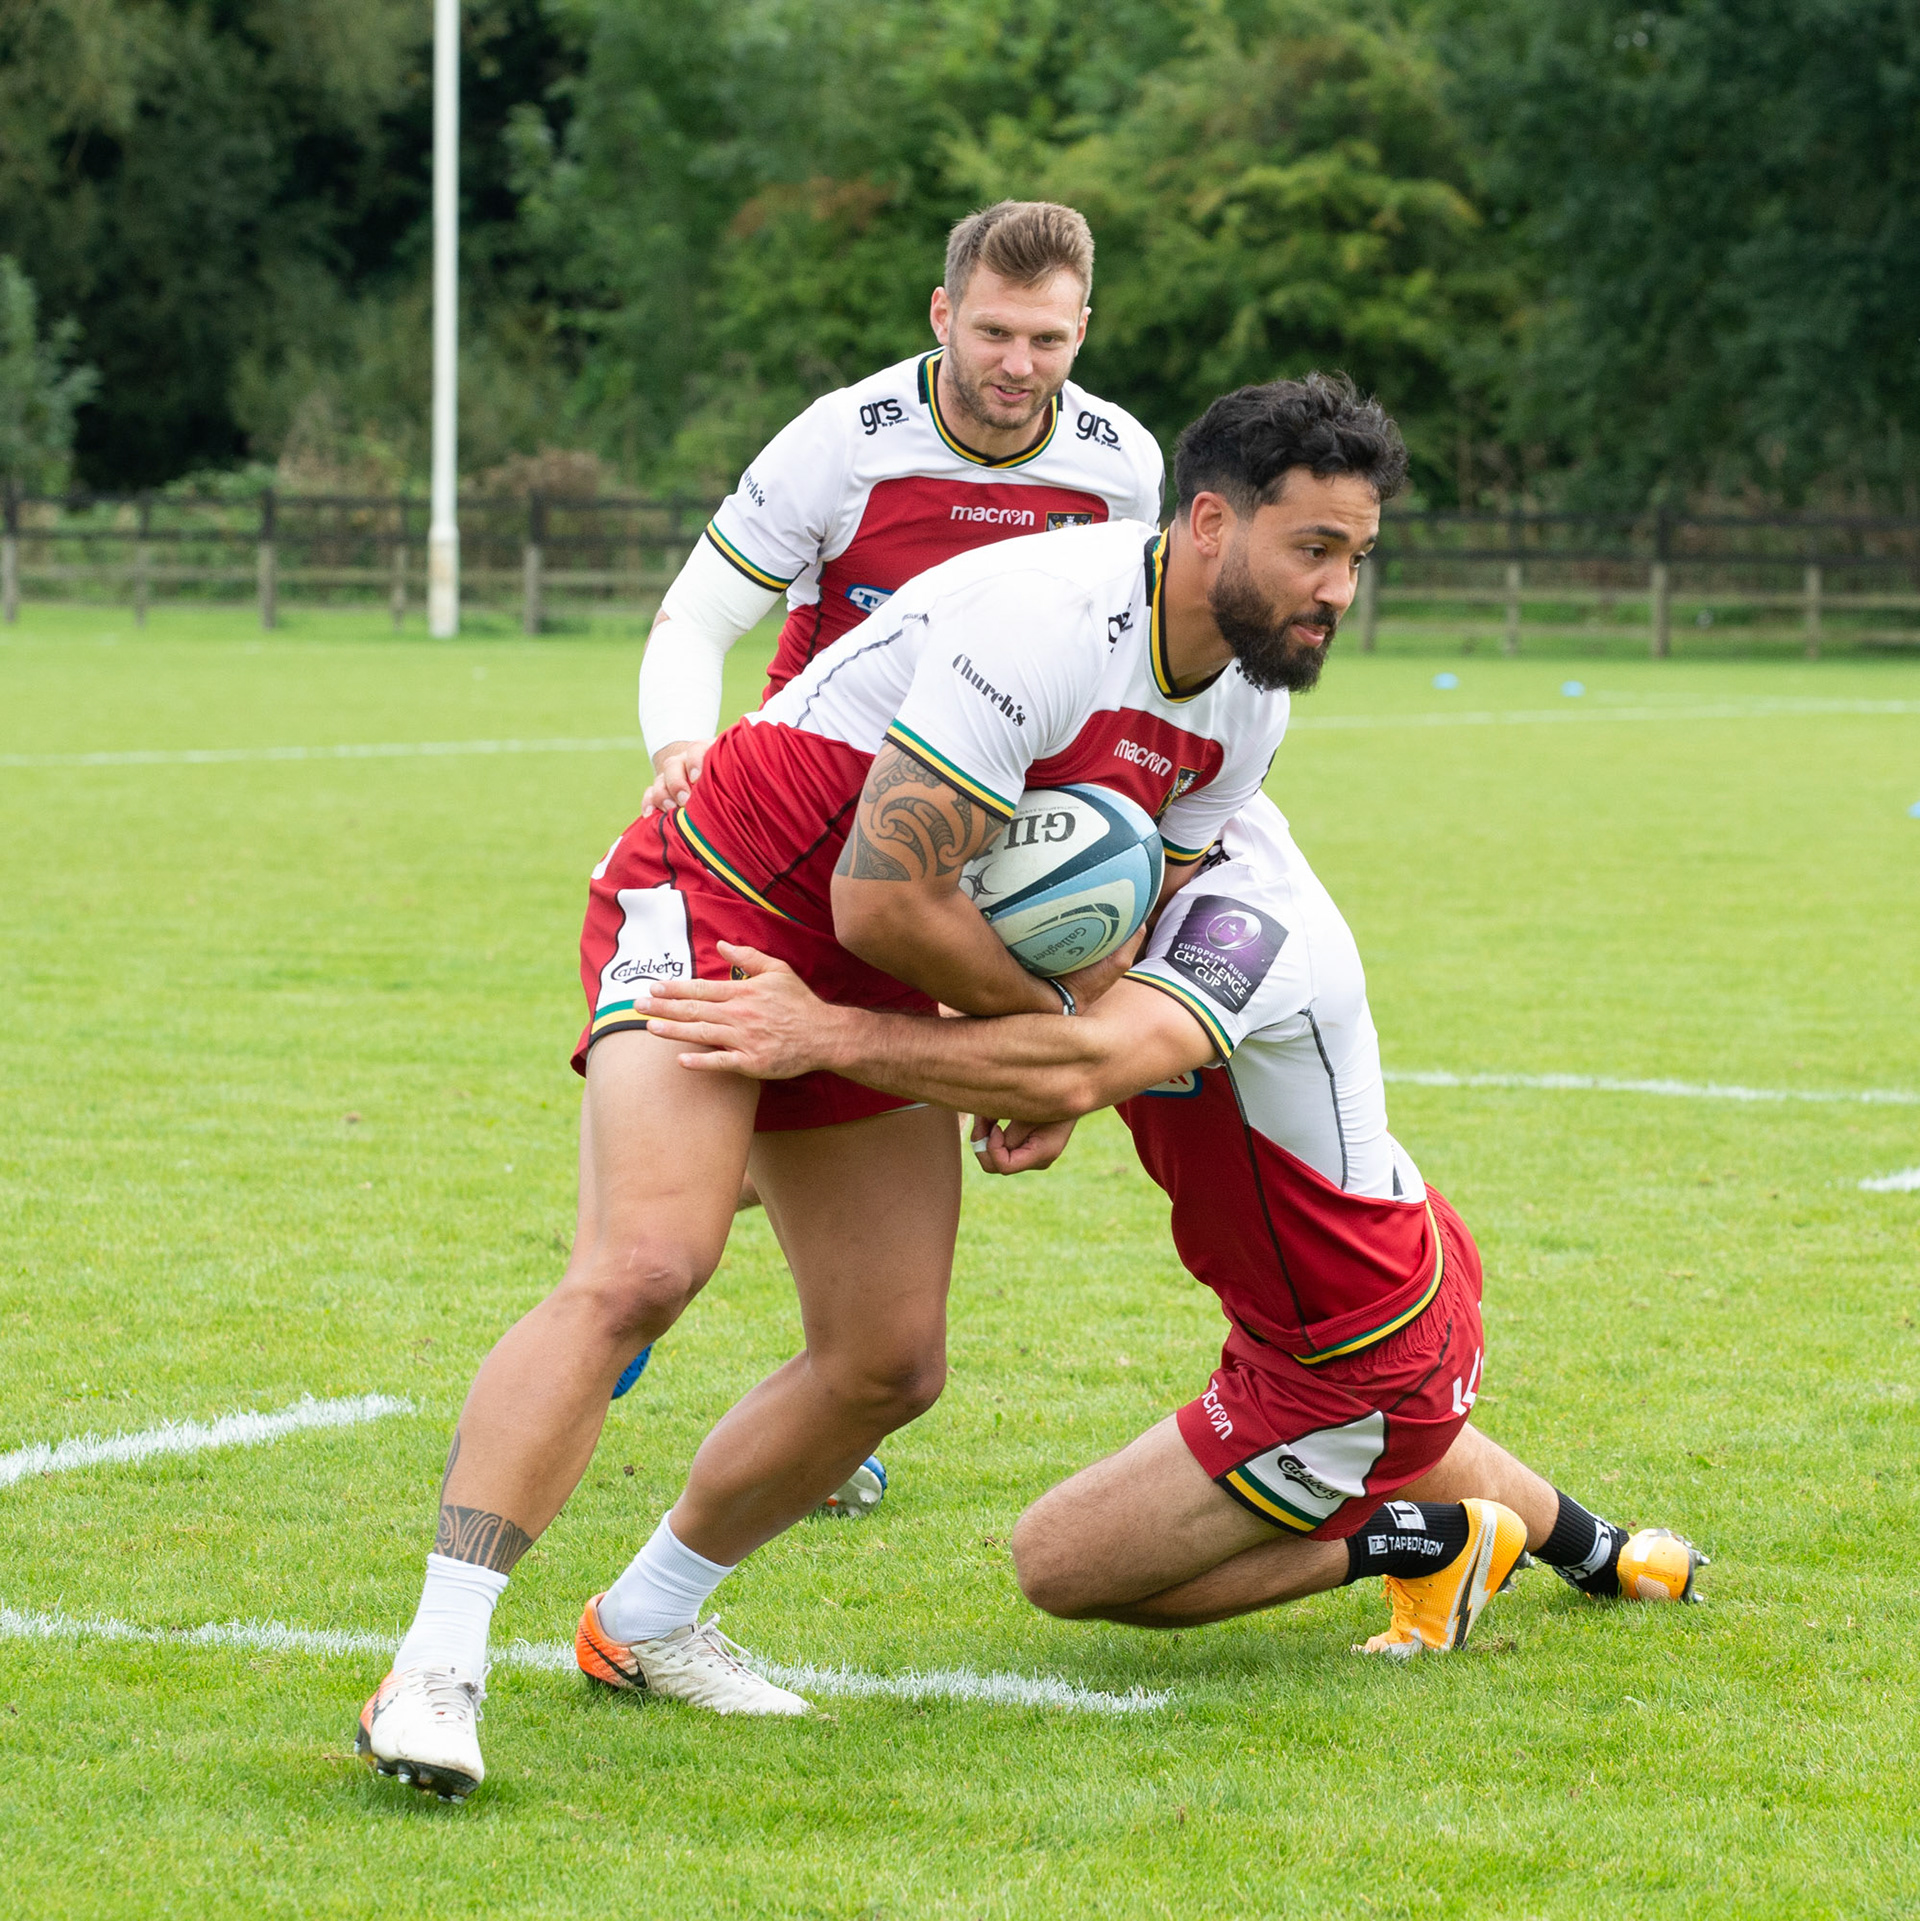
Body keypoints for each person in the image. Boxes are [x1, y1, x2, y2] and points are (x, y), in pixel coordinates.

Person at [355, 373, 1408, 1801]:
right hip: (726, 896)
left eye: (1359, 556)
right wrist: (1032, 1035)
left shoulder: (1246, 711)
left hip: (891, 961)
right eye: (1316, 549)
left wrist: (1051, 1053)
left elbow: (1130, 909)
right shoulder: (1044, 619)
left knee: (887, 1361)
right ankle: (434, 1662)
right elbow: (878, 903)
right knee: (650, 1265)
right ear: (1210, 522)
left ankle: (646, 1623)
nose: (1340, 588)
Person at [637, 792, 1708, 1652]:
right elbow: (1063, 1046)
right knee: (1398, 1432)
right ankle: (1605, 1554)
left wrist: (830, 1036)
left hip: (1346, 1356)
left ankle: (1428, 1543)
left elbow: (1089, 1054)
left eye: (1049, 945)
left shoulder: (1252, 928)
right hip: (1399, 1270)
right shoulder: (1176, 827)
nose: (1029, 972)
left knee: (1059, 1562)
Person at [635, 199, 1163, 820]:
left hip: (1006, 806)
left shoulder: (1121, 466)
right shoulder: (839, 440)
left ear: (1080, 332)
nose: (1019, 365)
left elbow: (1124, 662)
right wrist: (680, 752)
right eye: (994, 332)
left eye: (1046, 339)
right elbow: (696, 620)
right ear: (943, 315)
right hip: (817, 785)